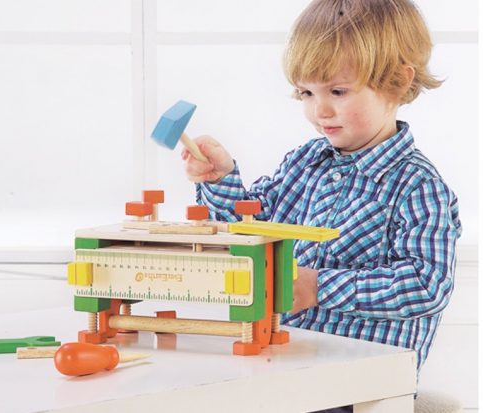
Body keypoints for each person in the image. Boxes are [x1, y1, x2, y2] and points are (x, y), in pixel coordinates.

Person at [181, 0, 461, 411]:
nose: (319, 111)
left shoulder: (418, 185)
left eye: (338, 91)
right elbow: (249, 230)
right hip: (286, 370)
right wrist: (220, 179)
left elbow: (426, 285)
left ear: (398, 82)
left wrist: (319, 287)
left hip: (360, 387)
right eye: (306, 93)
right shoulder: (304, 161)